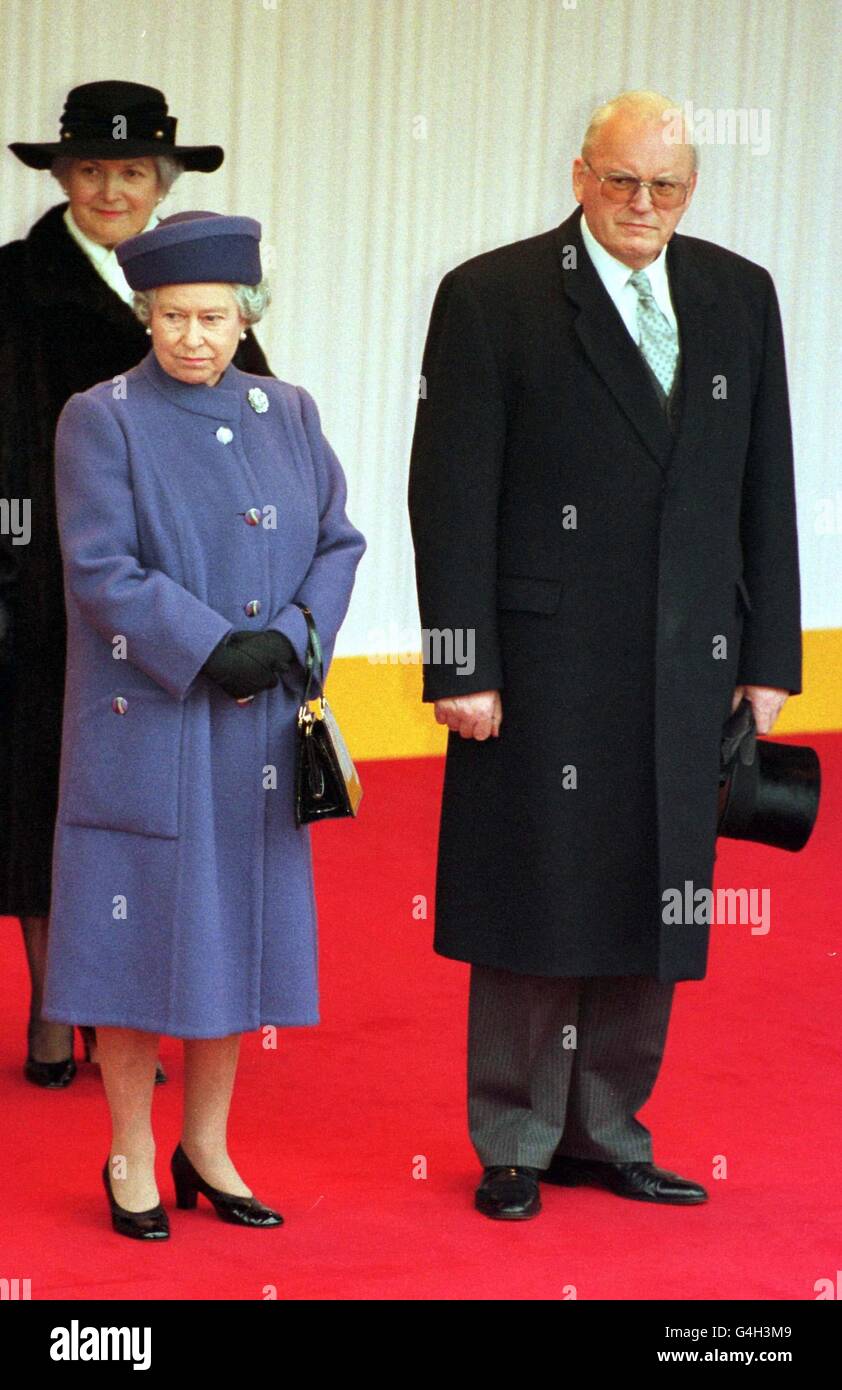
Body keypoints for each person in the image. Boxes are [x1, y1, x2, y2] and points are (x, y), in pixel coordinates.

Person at [408, 90, 801, 1220]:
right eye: (621, 181)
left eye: (664, 186)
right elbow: (448, 492)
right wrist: (457, 661)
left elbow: (761, 484)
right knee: (537, 889)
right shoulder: (491, 296)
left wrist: (766, 651)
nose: (641, 205)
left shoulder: (736, 293)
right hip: (538, 662)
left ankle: (607, 1129)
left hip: (689, 656)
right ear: (578, 174)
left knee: (657, 890)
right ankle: (516, 1139)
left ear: (690, 188)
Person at [40, 210, 365, 1239]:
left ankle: (207, 1144)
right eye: (174, 315)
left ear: (246, 315)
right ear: (145, 312)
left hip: (256, 733)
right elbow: (99, 570)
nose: (193, 336)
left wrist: (299, 632)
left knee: (235, 945)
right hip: (148, 724)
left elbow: (338, 539)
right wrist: (209, 643)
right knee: (137, 949)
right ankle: (130, 1149)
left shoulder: (289, 410)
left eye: (214, 317)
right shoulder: (102, 417)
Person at [0, 81, 271, 1088]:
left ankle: (128, 1008)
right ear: (62, 176)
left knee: (156, 807)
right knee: (45, 807)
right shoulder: (12, 286)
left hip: (183, 605)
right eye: (91, 169)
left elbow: (259, 436)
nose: (111, 187)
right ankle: (54, 1007)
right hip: (39, 595)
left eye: (131, 171)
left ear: (160, 183)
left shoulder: (200, 291)